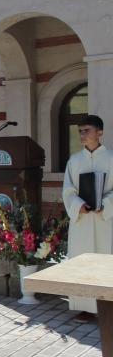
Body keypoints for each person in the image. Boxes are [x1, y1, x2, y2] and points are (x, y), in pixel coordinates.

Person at [63, 114, 113, 324]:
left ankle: (108, 306)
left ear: (100, 132)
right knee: (82, 261)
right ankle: (86, 307)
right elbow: (68, 190)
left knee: (107, 260)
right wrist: (78, 205)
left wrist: (106, 204)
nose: (82, 135)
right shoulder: (74, 160)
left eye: (87, 130)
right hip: (83, 221)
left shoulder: (111, 158)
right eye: (80, 131)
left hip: (105, 221)